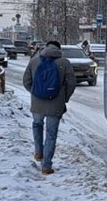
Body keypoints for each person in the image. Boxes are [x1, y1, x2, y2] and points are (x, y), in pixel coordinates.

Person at [21, 39, 76, 175]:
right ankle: (46, 166)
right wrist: (64, 98)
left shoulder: (34, 61)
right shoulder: (64, 62)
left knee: (37, 125)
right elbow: (71, 83)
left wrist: (35, 93)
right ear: (59, 49)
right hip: (56, 103)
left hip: (37, 103)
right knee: (51, 134)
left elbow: (26, 81)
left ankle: (38, 152)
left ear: (45, 47)